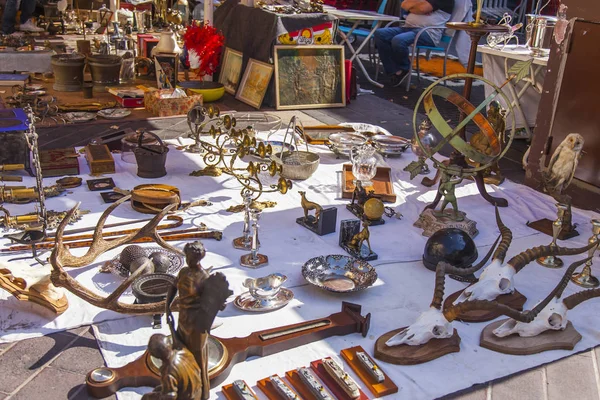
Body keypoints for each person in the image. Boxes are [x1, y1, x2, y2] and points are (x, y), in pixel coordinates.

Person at [374, 0, 454, 87]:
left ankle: (404, 68)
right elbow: (404, 4)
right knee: (380, 33)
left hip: (428, 32)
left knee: (398, 40)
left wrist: (414, 8)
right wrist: (418, 8)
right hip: (408, 27)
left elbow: (422, 8)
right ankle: (394, 71)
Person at [141, 334, 203, 400]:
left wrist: (156, 397)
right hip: (197, 392)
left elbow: (170, 396)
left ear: (154, 355)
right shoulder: (184, 352)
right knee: (158, 389)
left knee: (146, 397)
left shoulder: (168, 373)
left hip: (187, 397)